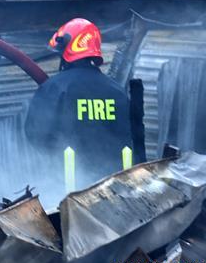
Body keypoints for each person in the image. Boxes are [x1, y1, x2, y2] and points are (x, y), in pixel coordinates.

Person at [24, 18, 132, 193]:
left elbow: (35, 133)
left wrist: (53, 154)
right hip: (118, 194)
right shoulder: (117, 92)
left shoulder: (55, 88)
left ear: (67, 50)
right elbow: (132, 136)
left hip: (68, 193)